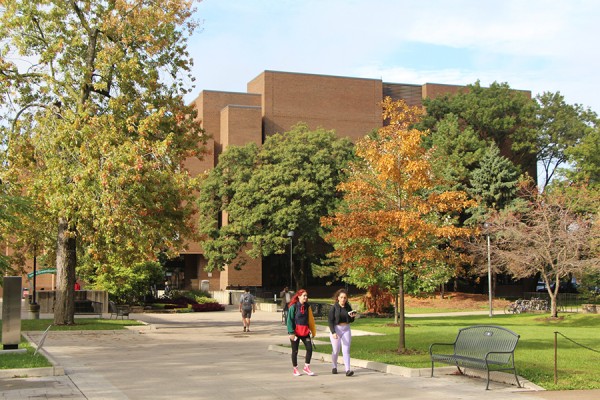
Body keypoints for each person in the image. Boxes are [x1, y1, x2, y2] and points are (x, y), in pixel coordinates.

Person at [286, 289, 317, 376]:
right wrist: (291, 332)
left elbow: (310, 319)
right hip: (295, 332)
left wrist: (312, 330)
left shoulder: (307, 306)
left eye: (306, 296)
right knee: (295, 351)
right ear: (299, 296)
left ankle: (306, 367)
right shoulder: (294, 307)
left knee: (309, 348)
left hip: (305, 332)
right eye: (304, 295)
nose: (306, 297)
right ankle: (295, 369)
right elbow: (289, 320)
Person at [328, 288, 357, 376]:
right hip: (336, 329)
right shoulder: (334, 308)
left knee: (346, 349)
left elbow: (351, 320)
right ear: (338, 298)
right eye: (341, 297)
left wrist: (353, 316)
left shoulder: (348, 307)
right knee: (336, 350)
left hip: (346, 329)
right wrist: (333, 332)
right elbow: (330, 320)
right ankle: (334, 366)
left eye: (345, 297)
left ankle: (347, 370)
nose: (343, 299)